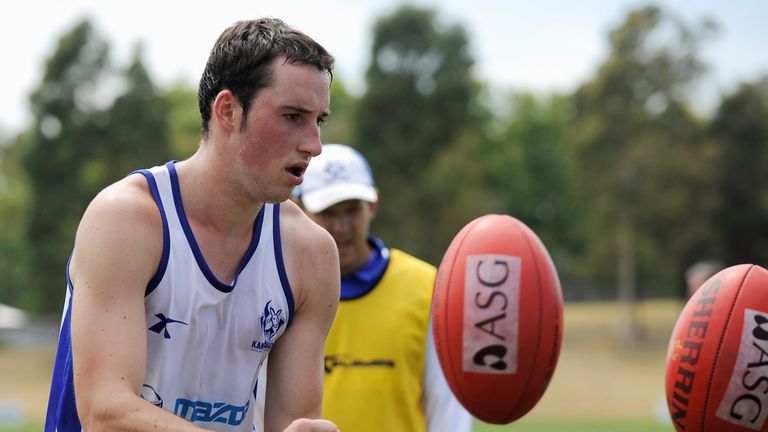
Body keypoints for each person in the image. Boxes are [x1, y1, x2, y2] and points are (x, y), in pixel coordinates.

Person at [44, 18, 341, 432]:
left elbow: (291, 422)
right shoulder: (127, 220)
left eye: (319, 121)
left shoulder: (312, 253)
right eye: (293, 116)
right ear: (228, 110)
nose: (314, 144)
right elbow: (105, 413)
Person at [288, 143, 472, 431]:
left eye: (352, 210)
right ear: (298, 209)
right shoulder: (279, 287)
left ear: (373, 205)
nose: (342, 226)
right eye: (328, 212)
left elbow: (447, 407)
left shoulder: (427, 286)